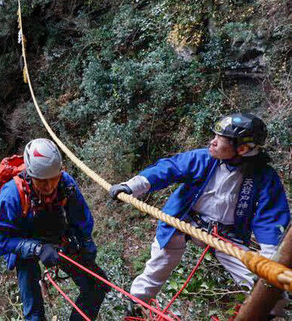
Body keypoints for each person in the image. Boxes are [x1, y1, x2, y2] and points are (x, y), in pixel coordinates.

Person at [109, 113, 290, 316]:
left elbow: (270, 217)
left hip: (224, 234)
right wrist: (132, 186)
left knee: (262, 284)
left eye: (219, 140)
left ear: (243, 149)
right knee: (159, 265)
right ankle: (135, 308)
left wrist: (269, 261)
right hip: (184, 220)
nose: (211, 142)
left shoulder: (263, 177)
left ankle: (264, 313)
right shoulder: (203, 158)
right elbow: (169, 168)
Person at [0, 138, 109, 321]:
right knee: (34, 314)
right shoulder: (12, 194)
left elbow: (80, 218)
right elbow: (2, 239)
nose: (49, 187)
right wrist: (37, 249)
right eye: (42, 181)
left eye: (53, 179)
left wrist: (86, 245)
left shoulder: (65, 184)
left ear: (60, 172)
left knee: (97, 285)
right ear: (31, 175)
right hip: (25, 246)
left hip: (58, 237)